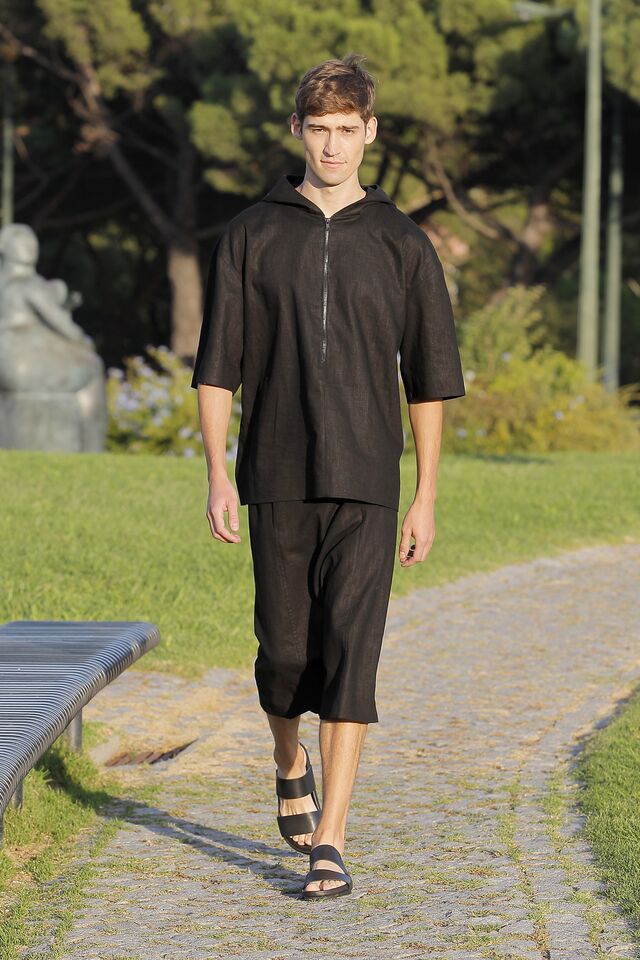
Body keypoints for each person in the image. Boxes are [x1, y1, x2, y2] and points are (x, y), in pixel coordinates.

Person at [191, 53, 465, 900]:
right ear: (298, 131)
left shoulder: (402, 241)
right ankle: (288, 759)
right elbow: (216, 367)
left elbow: (430, 380)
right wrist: (217, 473)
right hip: (274, 475)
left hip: (368, 481)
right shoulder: (251, 235)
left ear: (370, 131)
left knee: (352, 657)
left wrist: (425, 495)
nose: (334, 145)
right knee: (283, 657)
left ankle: (332, 842)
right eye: (320, 129)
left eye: (348, 129)